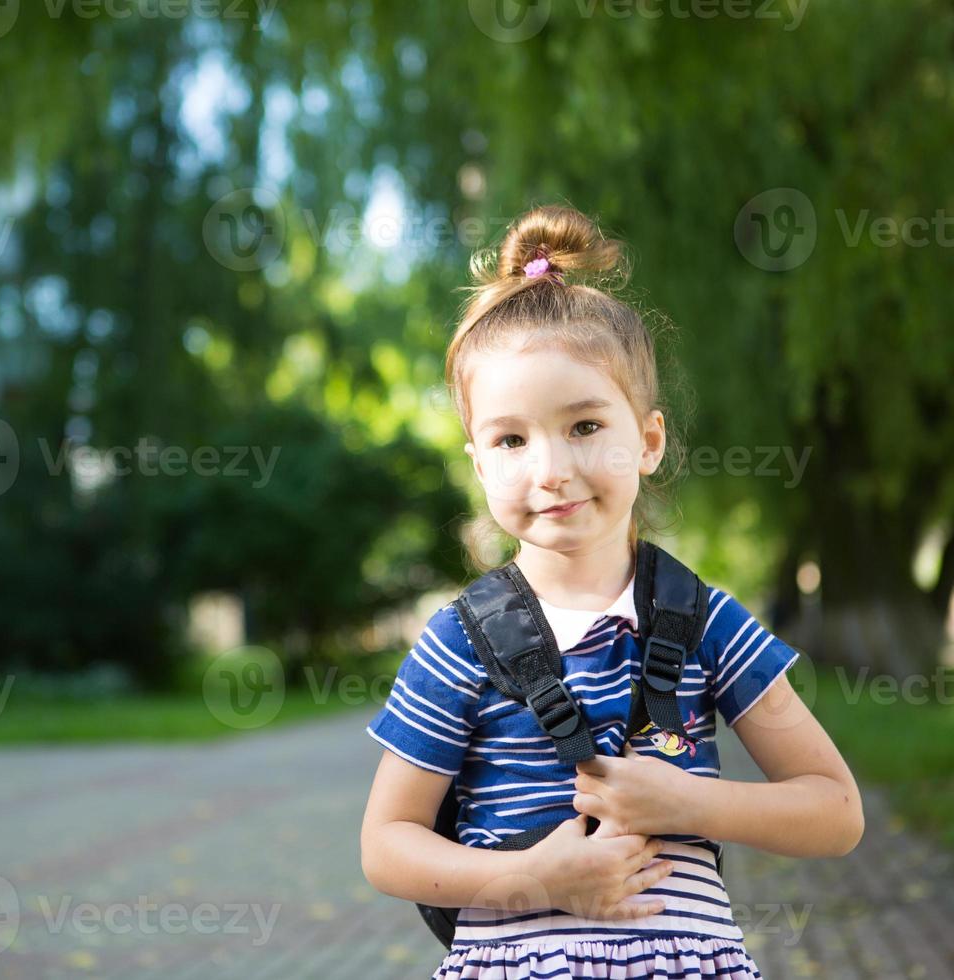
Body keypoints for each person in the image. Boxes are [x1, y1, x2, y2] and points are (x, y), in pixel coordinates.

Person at [359, 204, 864, 979]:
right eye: (511, 439)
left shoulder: (705, 623)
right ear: (480, 463)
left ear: (649, 440)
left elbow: (835, 812)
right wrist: (533, 878)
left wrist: (688, 804)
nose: (550, 468)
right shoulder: (459, 640)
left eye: (585, 426)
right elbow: (387, 844)